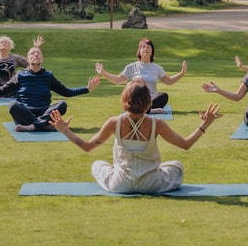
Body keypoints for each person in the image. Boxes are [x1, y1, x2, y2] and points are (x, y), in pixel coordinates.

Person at [49, 79, 222, 194]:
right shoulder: (157, 124)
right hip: (151, 184)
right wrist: (205, 124)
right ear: (148, 101)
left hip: (120, 184)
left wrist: (65, 130)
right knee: (177, 166)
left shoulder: (114, 122)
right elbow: (185, 144)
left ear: (125, 99)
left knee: (97, 164)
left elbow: (87, 146)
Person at [0, 47, 100, 132]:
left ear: (42, 58)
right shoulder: (20, 76)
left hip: (44, 110)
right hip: (25, 112)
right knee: (13, 105)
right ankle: (45, 125)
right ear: (28, 59)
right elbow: (1, 91)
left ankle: (33, 126)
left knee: (62, 104)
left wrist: (87, 89)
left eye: (38, 53)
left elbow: (66, 92)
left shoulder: (48, 76)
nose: (35, 54)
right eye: (32, 53)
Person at [95, 38, 187, 114]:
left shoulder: (156, 68)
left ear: (152, 51)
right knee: (132, 99)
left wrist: (182, 73)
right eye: (143, 47)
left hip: (151, 101)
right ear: (139, 51)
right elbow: (118, 80)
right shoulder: (132, 66)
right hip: (137, 99)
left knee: (163, 96)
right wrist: (103, 73)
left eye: (148, 47)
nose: (146, 49)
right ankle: (149, 111)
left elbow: (169, 81)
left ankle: (147, 110)